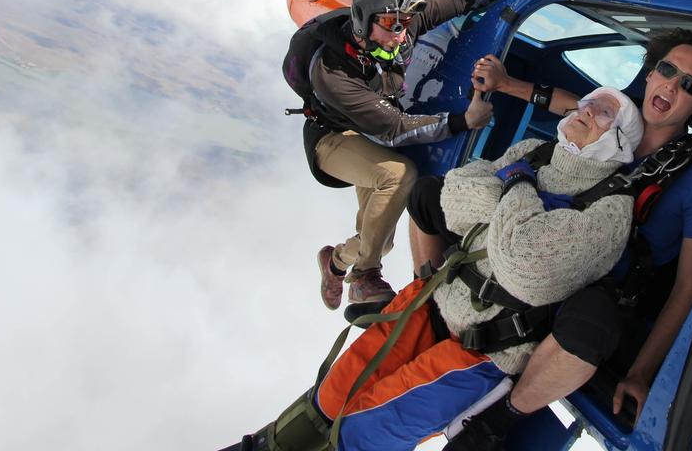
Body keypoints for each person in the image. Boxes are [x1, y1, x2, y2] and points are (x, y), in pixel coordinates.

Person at [221, 87, 644, 451]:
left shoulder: (610, 208)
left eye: (605, 112)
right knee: (329, 399)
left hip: (487, 347)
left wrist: (514, 183)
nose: (586, 110)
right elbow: (455, 193)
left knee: (362, 433)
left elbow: (524, 260)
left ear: (622, 140)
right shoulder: (536, 152)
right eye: (587, 102)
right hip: (433, 302)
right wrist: (518, 202)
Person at [418, 29, 692, 450]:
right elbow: (567, 103)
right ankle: (427, 301)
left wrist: (641, 372)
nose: (671, 84)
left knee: (595, 319)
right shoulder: (614, 117)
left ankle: (500, 417)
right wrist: (504, 85)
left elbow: (687, 287)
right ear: (650, 74)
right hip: (547, 239)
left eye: (689, 85)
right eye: (667, 70)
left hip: (597, 280)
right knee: (428, 194)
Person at [304, 0, 555, 322]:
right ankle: (364, 277)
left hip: (368, 133)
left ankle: (336, 262)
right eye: (389, 24)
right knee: (399, 175)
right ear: (362, 21)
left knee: (380, 239)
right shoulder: (332, 72)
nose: (400, 33)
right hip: (333, 136)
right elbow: (392, 127)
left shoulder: (400, 30)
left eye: (404, 22)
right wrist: (462, 121)